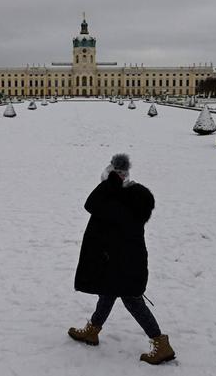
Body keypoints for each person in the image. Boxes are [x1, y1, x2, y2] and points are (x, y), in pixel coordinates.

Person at [68, 153, 175, 365]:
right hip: (120, 262)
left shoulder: (119, 204)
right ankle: (93, 330)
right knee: (107, 293)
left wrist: (111, 182)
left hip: (125, 265)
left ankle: (160, 343)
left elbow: (91, 203)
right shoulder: (126, 200)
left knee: (132, 301)